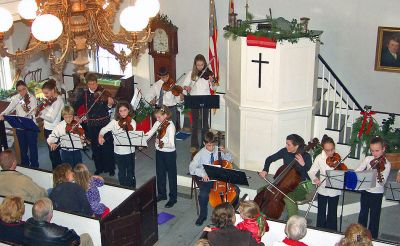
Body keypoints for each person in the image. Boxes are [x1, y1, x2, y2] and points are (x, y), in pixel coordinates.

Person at [259, 134, 313, 218]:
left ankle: (293, 221)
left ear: (296, 146)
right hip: (284, 183)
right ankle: (260, 215)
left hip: (301, 185)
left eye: (288, 144)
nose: (286, 146)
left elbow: (309, 173)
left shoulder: (306, 156)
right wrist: (265, 170)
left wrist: (303, 164)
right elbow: (269, 159)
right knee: (262, 190)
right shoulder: (284, 151)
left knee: (288, 198)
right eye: (286, 143)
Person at [189, 131, 237, 226]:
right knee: (203, 195)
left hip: (219, 177)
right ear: (204, 143)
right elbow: (191, 168)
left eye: (213, 145)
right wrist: (203, 174)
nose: (211, 148)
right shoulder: (200, 154)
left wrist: (225, 152)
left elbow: (229, 160)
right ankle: (203, 215)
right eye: (209, 145)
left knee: (236, 190)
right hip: (207, 178)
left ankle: (231, 213)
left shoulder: (217, 149)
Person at [73, 72, 115, 176]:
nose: (93, 86)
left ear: (97, 82)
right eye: (90, 84)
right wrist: (75, 115)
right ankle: (99, 167)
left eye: (95, 83)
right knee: (96, 147)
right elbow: (76, 104)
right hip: (92, 125)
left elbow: (113, 105)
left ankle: (110, 168)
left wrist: (110, 103)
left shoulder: (104, 92)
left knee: (107, 146)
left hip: (104, 123)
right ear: (87, 84)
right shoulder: (85, 94)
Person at [355, 136, 391, 239]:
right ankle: (359, 238)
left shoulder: (387, 164)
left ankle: (373, 239)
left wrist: (378, 175)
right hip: (365, 191)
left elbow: (383, 183)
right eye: (372, 150)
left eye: (377, 150)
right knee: (362, 215)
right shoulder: (368, 159)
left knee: (374, 218)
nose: (374, 153)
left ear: (383, 149)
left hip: (377, 194)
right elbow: (358, 170)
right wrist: (362, 174)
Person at [182, 54, 217, 153]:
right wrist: (187, 88)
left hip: (206, 99)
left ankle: (204, 143)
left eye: (202, 65)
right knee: (195, 124)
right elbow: (184, 85)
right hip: (194, 100)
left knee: (205, 124)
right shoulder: (191, 74)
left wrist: (212, 82)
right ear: (195, 65)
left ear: (205, 64)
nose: (200, 67)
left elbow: (214, 88)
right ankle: (194, 144)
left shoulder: (209, 73)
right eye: (198, 65)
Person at [24, 197, 94, 246]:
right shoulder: (59, 232)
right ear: (50, 214)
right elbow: (76, 238)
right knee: (86, 237)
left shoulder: (27, 223)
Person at [0, 80, 39, 167]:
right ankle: (25, 165)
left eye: (23, 89)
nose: (22, 92)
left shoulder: (32, 98)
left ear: (26, 88)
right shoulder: (16, 98)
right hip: (20, 127)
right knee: (22, 148)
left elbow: (30, 113)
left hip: (30, 126)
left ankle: (35, 166)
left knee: (33, 148)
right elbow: (9, 108)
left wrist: (24, 107)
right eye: (19, 90)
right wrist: (2, 114)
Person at [99, 101, 137, 188]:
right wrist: (100, 136)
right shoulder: (114, 122)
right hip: (118, 152)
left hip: (129, 151)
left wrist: (125, 128)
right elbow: (103, 130)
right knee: (121, 171)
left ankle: (132, 189)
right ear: (118, 112)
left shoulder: (132, 122)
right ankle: (123, 188)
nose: (123, 113)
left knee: (130, 171)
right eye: (120, 111)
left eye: (125, 110)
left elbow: (132, 136)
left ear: (129, 110)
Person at [146, 106, 177, 208]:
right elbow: (151, 132)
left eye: (159, 117)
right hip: (159, 152)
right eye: (156, 117)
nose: (157, 119)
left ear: (165, 115)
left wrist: (161, 143)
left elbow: (172, 144)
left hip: (169, 154)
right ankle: (162, 194)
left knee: (171, 176)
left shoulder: (170, 126)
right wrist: (142, 138)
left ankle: (173, 198)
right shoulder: (158, 123)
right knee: (160, 173)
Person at [307, 135, 341, 231]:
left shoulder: (338, 156)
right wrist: (315, 179)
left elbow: (341, 170)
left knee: (332, 212)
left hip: (335, 188)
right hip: (322, 188)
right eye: (327, 150)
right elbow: (311, 172)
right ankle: (320, 230)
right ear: (323, 149)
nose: (330, 152)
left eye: (332, 149)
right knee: (321, 212)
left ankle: (332, 232)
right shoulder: (319, 158)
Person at [37, 79, 64, 169]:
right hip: (47, 128)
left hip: (54, 130)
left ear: (53, 90)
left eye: (46, 93)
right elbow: (47, 111)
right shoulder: (51, 100)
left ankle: (58, 171)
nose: (45, 95)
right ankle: (56, 170)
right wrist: (40, 110)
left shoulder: (58, 102)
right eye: (44, 93)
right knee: (52, 153)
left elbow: (52, 119)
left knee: (54, 153)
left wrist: (40, 114)